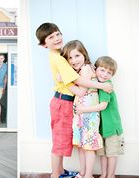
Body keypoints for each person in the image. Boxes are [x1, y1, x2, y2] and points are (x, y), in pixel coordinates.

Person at [35, 22, 112, 178]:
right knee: (60, 141)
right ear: (44, 44)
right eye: (51, 37)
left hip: (68, 103)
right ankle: (56, 174)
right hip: (63, 102)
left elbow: (77, 81)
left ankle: (63, 172)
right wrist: (101, 85)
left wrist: (64, 79)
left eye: (58, 34)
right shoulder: (59, 59)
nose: (56, 38)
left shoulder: (61, 56)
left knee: (65, 139)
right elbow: (80, 84)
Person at [76, 56, 124, 178]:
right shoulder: (97, 85)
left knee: (111, 153)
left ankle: (111, 175)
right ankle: (104, 174)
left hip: (112, 127)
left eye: (109, 72)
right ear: (95, 69)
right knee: (102, 153)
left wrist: (83, 110)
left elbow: (102, 106)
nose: (105, 74)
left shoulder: (106, 87)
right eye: (102, 70)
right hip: (102, 127)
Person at [62, 40, 103, 178]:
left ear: (84, 55)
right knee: (81, 145)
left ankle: (88, 175)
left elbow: (81, 92)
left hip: (89, 114)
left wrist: (64, 81)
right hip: (80, 115)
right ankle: (83, 172)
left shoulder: (86, 69)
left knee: (89, 146)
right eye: (70, 57)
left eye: (77, 56)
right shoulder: (78, 71)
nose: (73, 60)